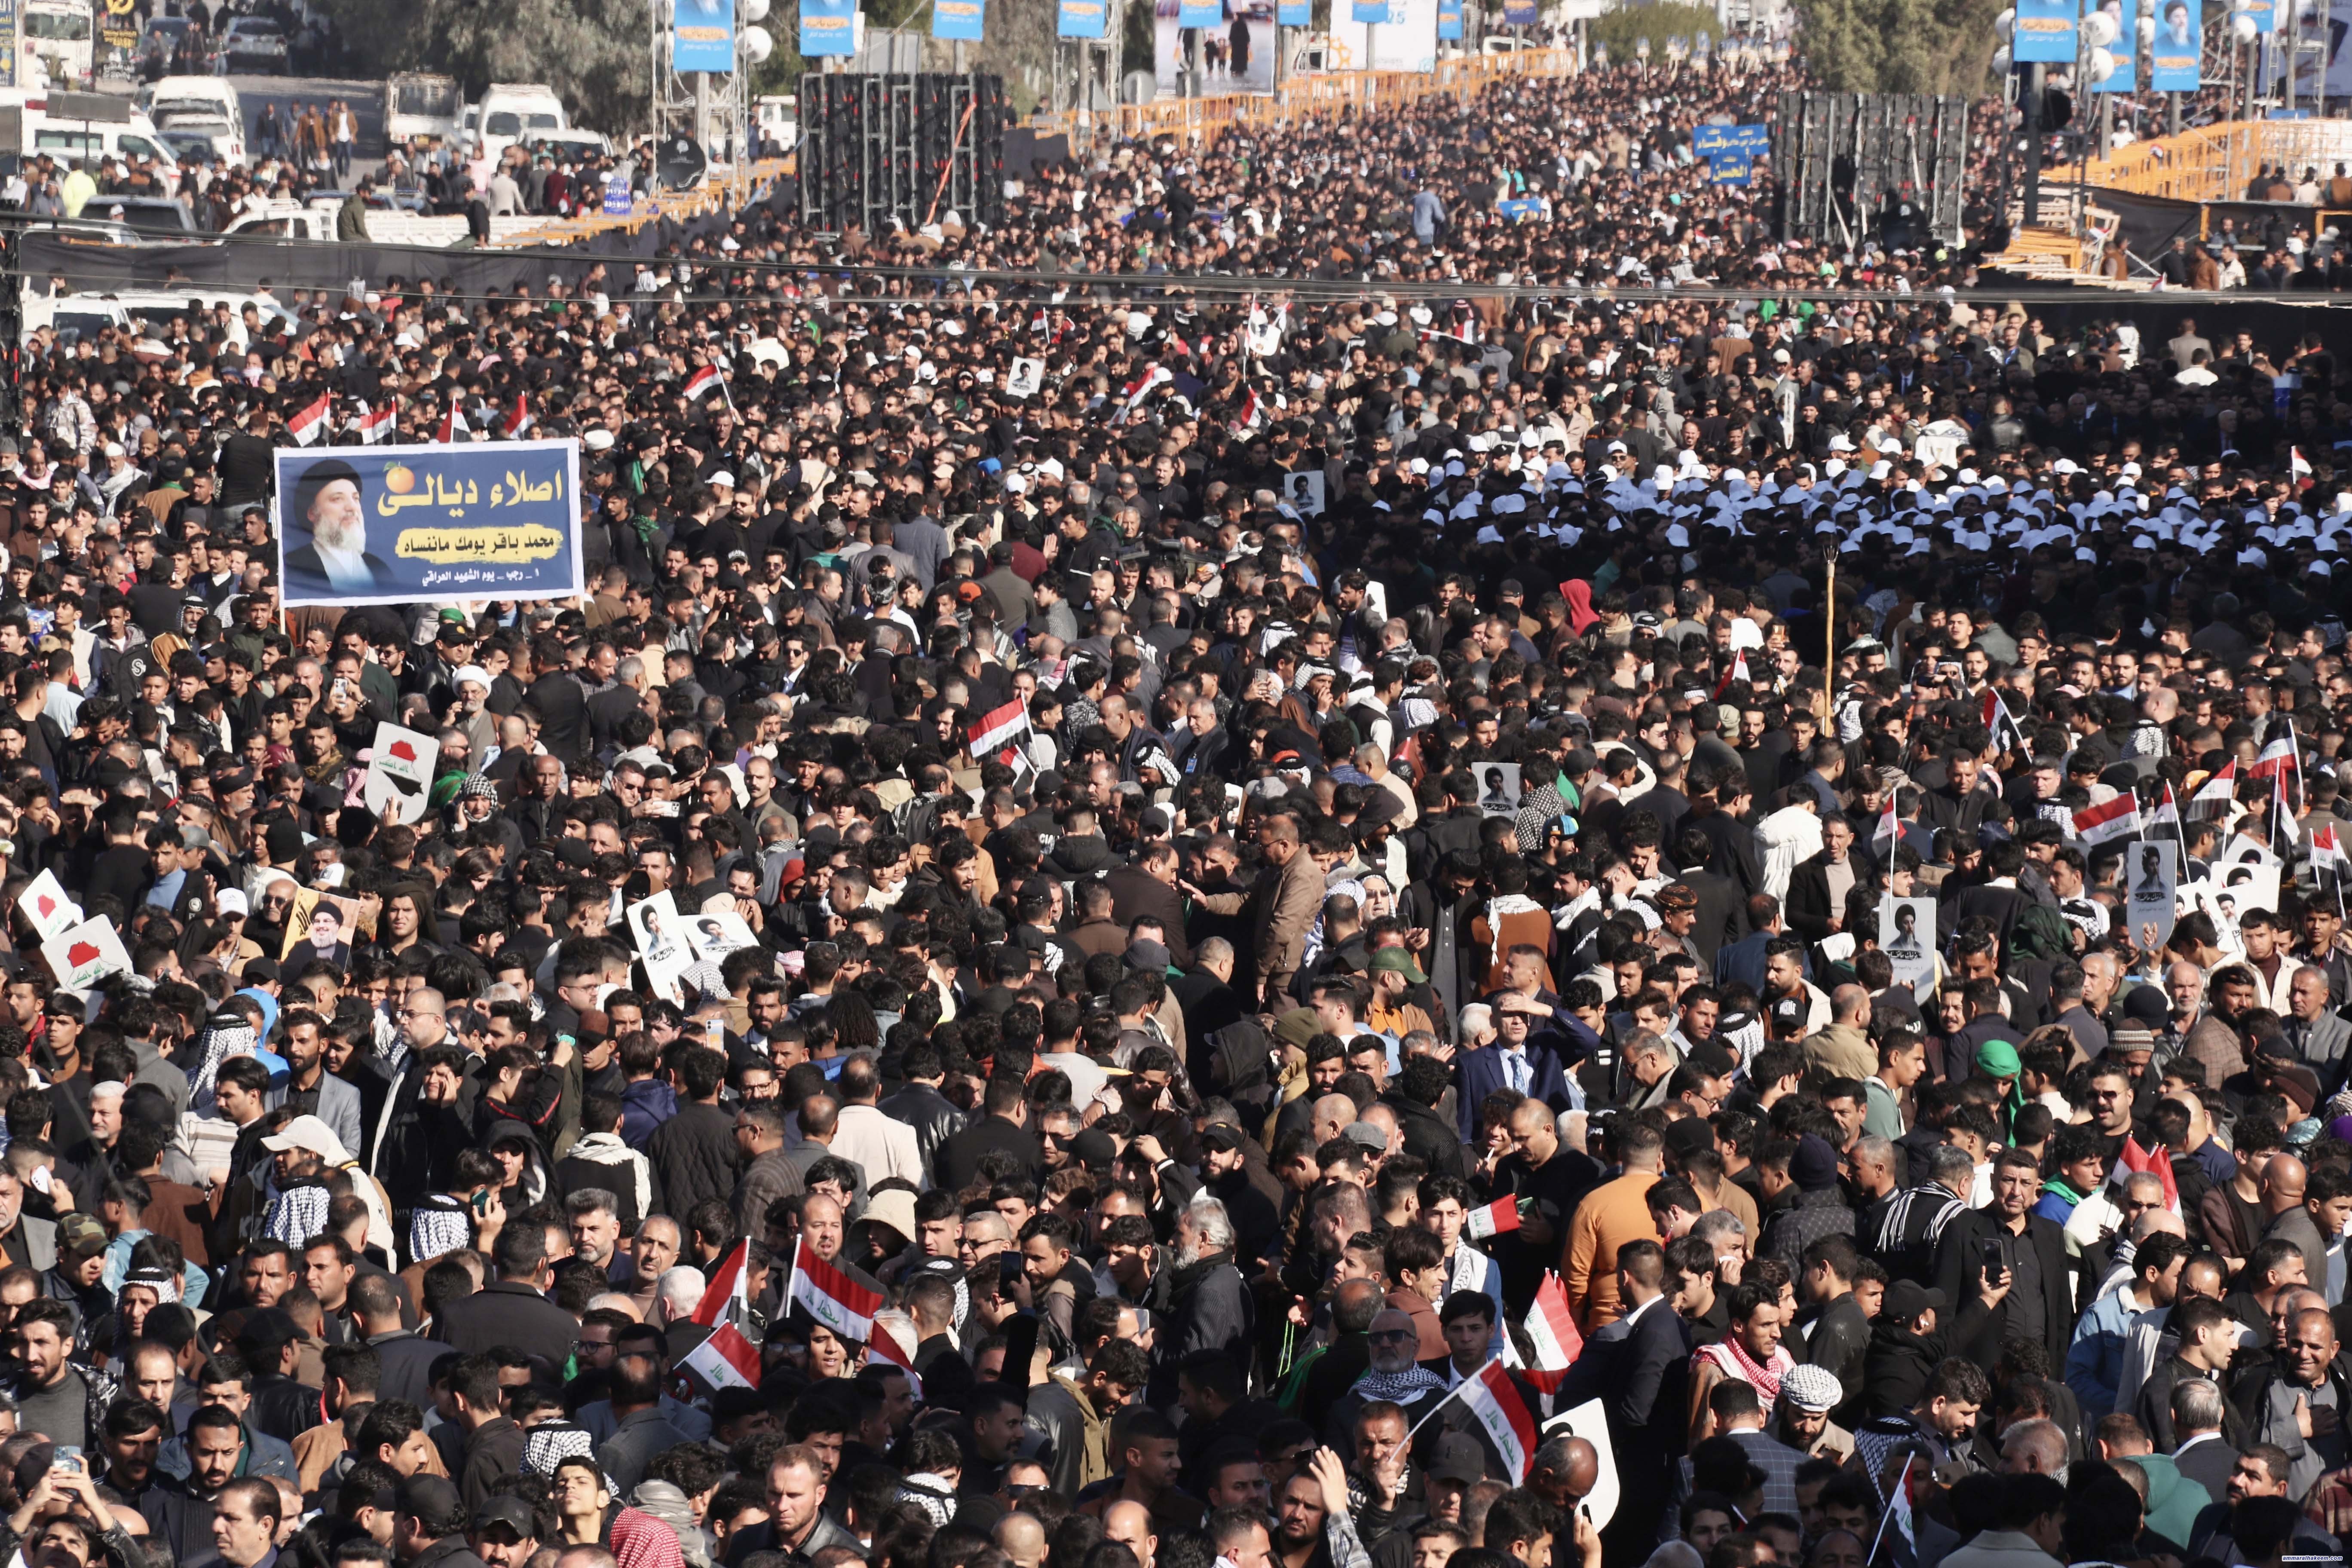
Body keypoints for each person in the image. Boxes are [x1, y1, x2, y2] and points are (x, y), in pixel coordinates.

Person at [281, 459, 399, 599]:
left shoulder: (378, 567)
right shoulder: (294, 566)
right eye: (338, 499)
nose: (352, 507)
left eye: (356, 498)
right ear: (312, 513)